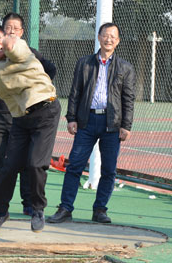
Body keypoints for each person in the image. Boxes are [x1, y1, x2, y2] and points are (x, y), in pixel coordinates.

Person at [0, 24, 60, 238]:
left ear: (5, 37)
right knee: (8, 166)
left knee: (35, 164)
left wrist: (9, 43)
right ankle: (0, 213)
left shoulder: (19, 47)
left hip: (45, 111)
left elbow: (17, 50)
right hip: (20, 118)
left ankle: (37, 209)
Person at [47, 22, 135, 225]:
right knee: (74, 165)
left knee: (109, 170)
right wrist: (71, 118)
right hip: (86, 121)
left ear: (118, 41)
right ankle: (65, 208)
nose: (108, 39)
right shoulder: (84, 63)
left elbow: (128, 99)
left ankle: (100, 210)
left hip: (112, 124)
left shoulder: (125, 68)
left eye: (113, 36)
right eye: (105, 35)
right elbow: (75, 92)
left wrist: (126, 125)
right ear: (99, 37)